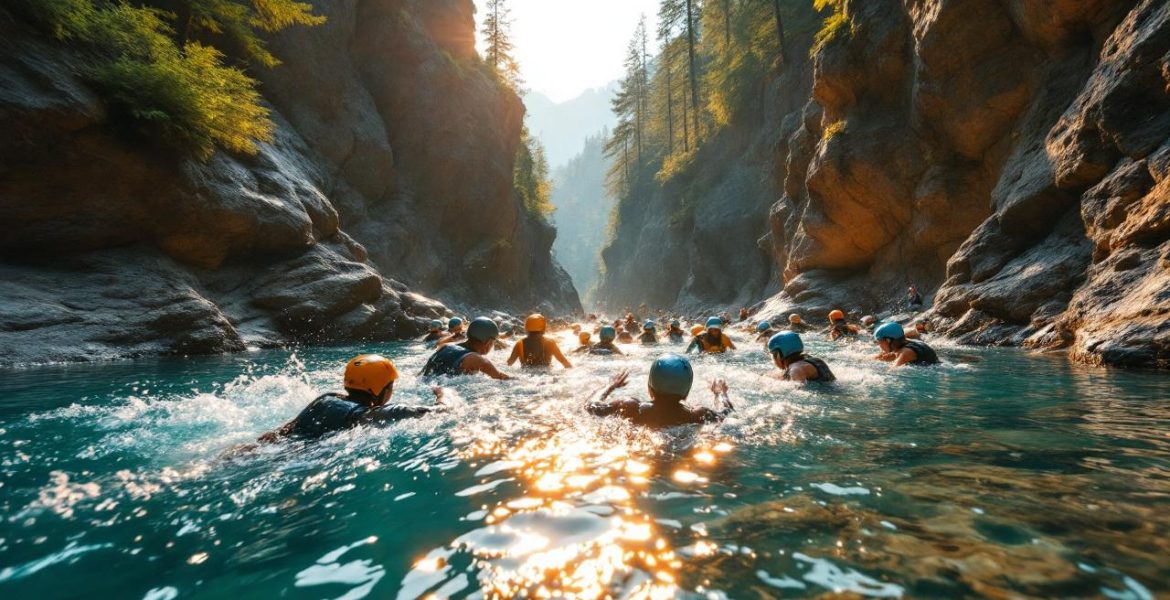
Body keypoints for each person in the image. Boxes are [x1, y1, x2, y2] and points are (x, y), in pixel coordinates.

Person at [258, 355, 445, 442]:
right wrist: (442, 396)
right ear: (382, 388)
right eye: (390, 386)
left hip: (277, 448)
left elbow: (282, 431)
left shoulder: (326, 398)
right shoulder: (369, 415)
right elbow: (436, 412)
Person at [586, 354, 733, 428]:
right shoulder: (697, 415)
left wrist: (610, 386)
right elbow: (727, 413)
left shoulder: (631, 408)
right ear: (686, 393)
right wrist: (720, 393)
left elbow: (591, 405)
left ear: (649, 388)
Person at [421, 317, 511, 379]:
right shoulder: (479, 360)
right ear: (488, 342)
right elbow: (501, 378)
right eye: (493, 342)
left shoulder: (446, 346)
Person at [506, 314, 572, 369]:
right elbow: (565, 363)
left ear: (526, 327)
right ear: (543, 327)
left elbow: (509, 363)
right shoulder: (550, 343)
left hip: (526, 375)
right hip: (545, 375)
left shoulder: (519, 343)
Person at [767, 331, 836, 383]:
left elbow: (797, 392)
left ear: (779, 354)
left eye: (772, 355)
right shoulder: (812, 360)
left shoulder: (796, 369)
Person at [873, 322, 940, 367]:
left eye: (879, 341)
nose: (878, 344)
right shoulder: (903, 344)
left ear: (888, 340)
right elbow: (883, 357)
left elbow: (892, 372)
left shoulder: (905, 353)